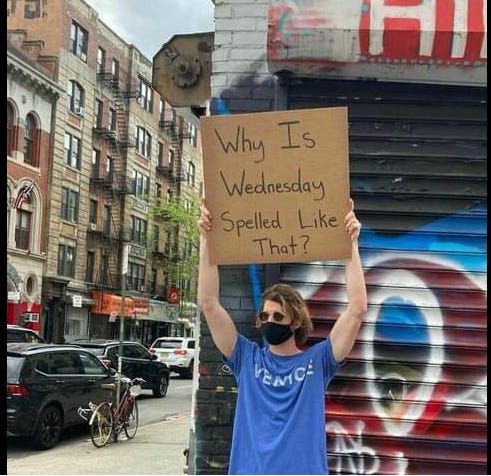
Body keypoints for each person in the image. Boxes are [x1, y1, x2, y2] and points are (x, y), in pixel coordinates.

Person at [197, 198, 367, 475]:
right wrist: (207, 240)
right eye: (264, 316)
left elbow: (357, 310)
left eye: (278, 317)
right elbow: (209, 303)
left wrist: (351, 244)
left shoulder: (318, 361)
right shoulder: (246, 358)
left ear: (296, 321)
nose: (269, 322)